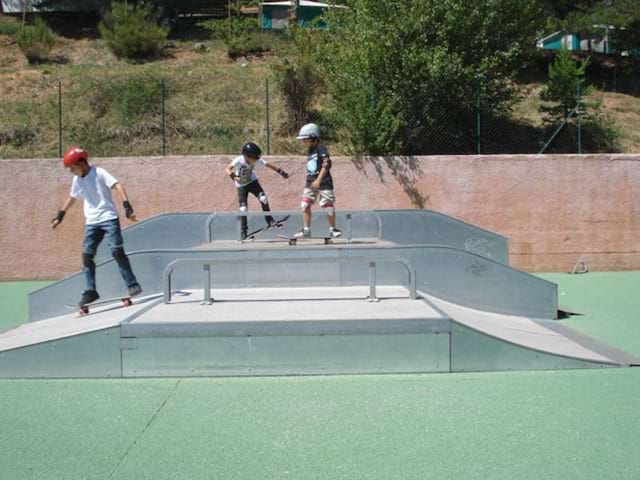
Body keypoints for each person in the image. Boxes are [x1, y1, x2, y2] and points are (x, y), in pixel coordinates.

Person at [51, 147, 142, 307]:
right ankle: (91, 290)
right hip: (92, 222)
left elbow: (117, 185)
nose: (72, 172)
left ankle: (132, 283)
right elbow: (72, 197)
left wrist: (127, 206)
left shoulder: (99, 173)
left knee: (117, 251)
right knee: (87, 256)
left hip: (109, 218)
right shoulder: (77, 180)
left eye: (73, 168)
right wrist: (60, 215)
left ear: (82, 163)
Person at [225, 142, 289, 240]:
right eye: (253, 158)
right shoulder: (239, 160)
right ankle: (243, 231)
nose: (255, 160)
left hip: (252, 182)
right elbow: (227, 169)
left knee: (263, 199)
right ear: (246, 156)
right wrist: (234, 177)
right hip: (241, 186)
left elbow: (268, 165)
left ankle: (269, 219)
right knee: (243, 209)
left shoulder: (255, 160)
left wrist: (281, 172)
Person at [294, 123, 341, 239]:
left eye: (305, 139)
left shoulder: (321, 148)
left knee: (327, 205)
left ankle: (333, 229)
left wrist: (319, 180)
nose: (303, 142)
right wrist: (313, 181)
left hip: (324, 181)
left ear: (313, 137)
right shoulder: (310, 149)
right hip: (310, 181)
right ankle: (306, 230)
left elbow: (326, 164)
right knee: (305, 204)